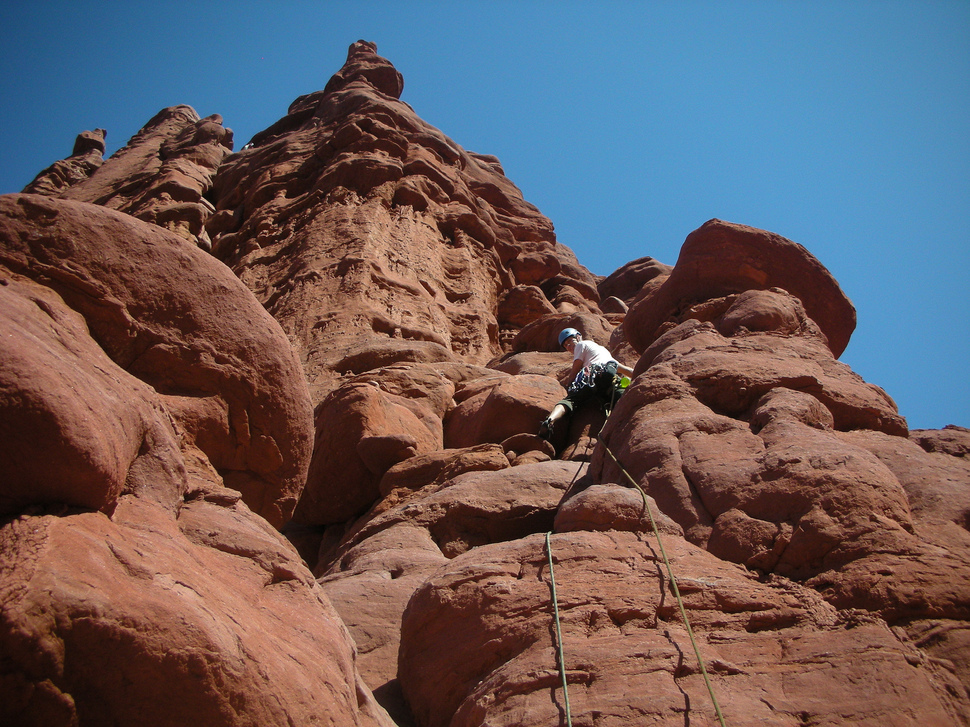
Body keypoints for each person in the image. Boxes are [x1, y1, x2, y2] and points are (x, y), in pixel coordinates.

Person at [538, 328, 634, 440]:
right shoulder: (603, 351)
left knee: (570, 400)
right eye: (566, 345)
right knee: (618, 395)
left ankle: (550, 420)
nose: (569, 346)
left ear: (578, 337)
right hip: (608, 375)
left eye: (570, 341)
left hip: (592, 375)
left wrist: (569, 386)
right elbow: (626, 370)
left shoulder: (581, 344)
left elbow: (575, 370)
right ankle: (626, 421)